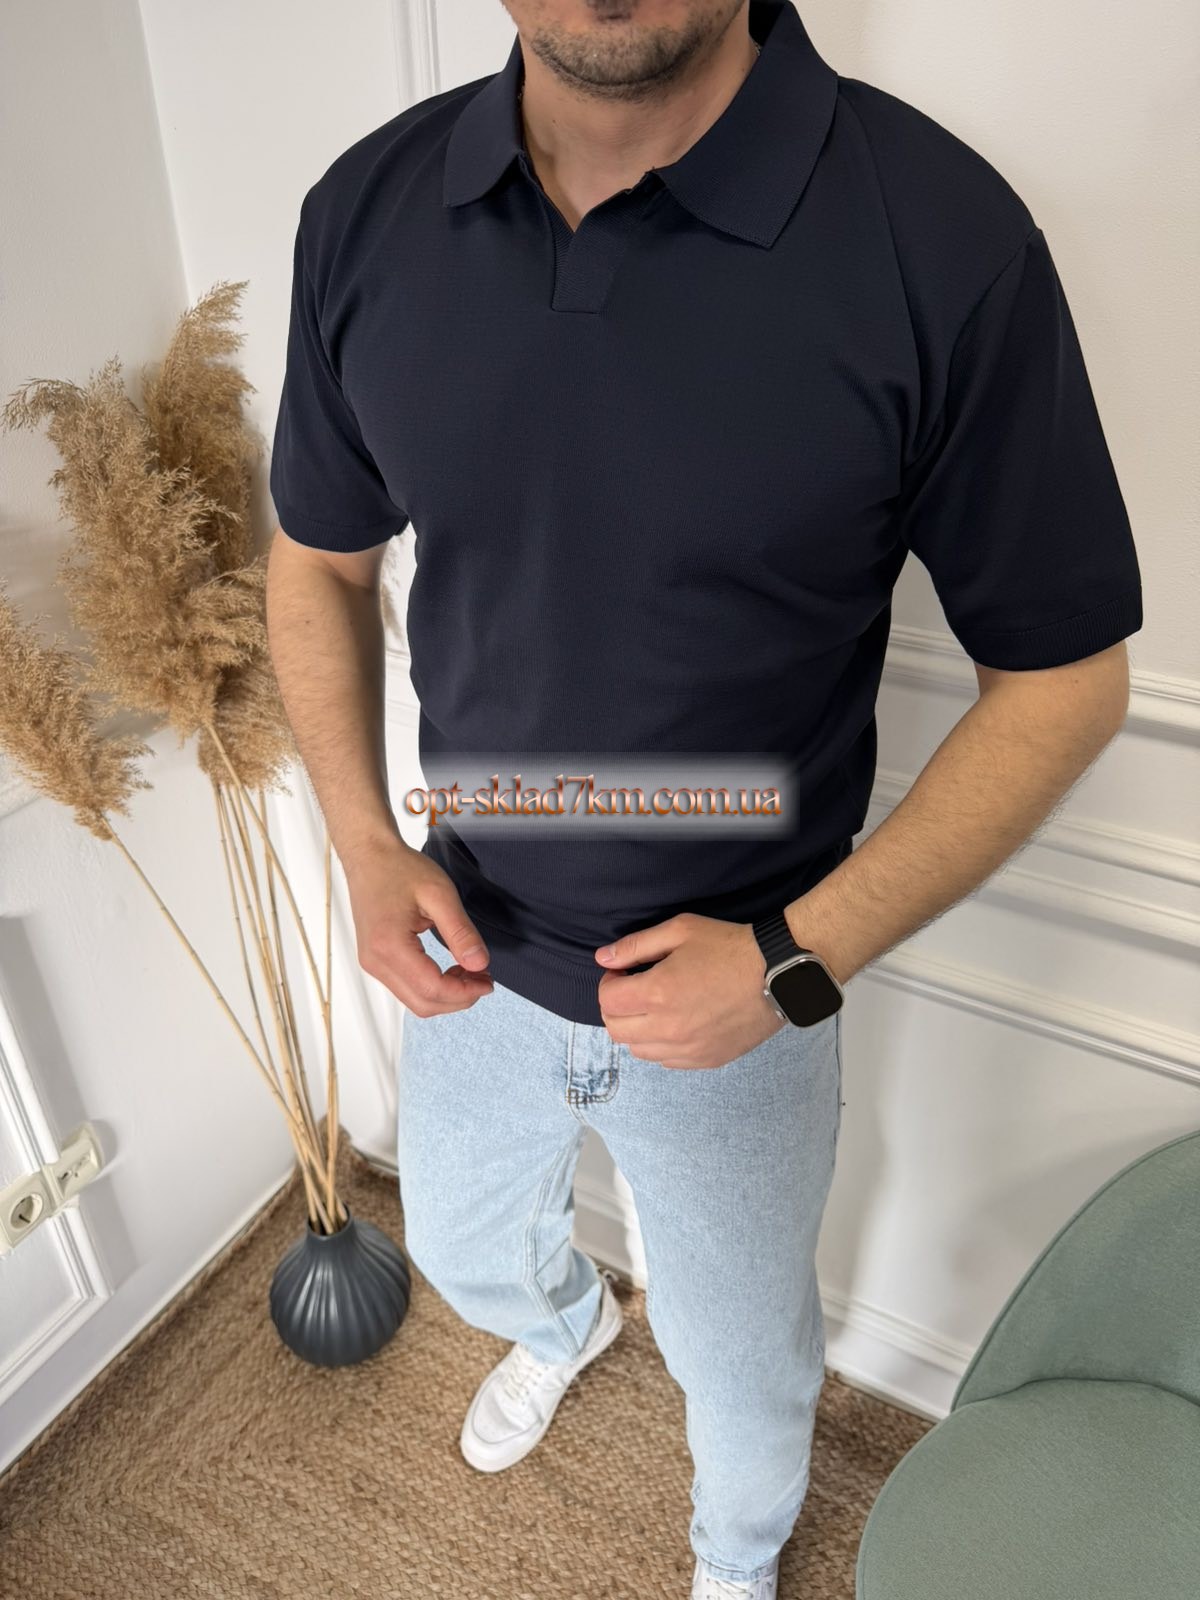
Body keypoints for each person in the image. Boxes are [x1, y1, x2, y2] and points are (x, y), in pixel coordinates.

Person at [265, 3, 1143, 1594]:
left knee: (742, 1368)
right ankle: (564, 1325)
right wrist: (360, 844)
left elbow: (1065, 679)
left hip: (749, 985)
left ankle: (736, 1562)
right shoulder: (366, 213)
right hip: (473, 947)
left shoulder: (940, 236)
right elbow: (319, 561)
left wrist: (793, 961)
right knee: (457, 1247)